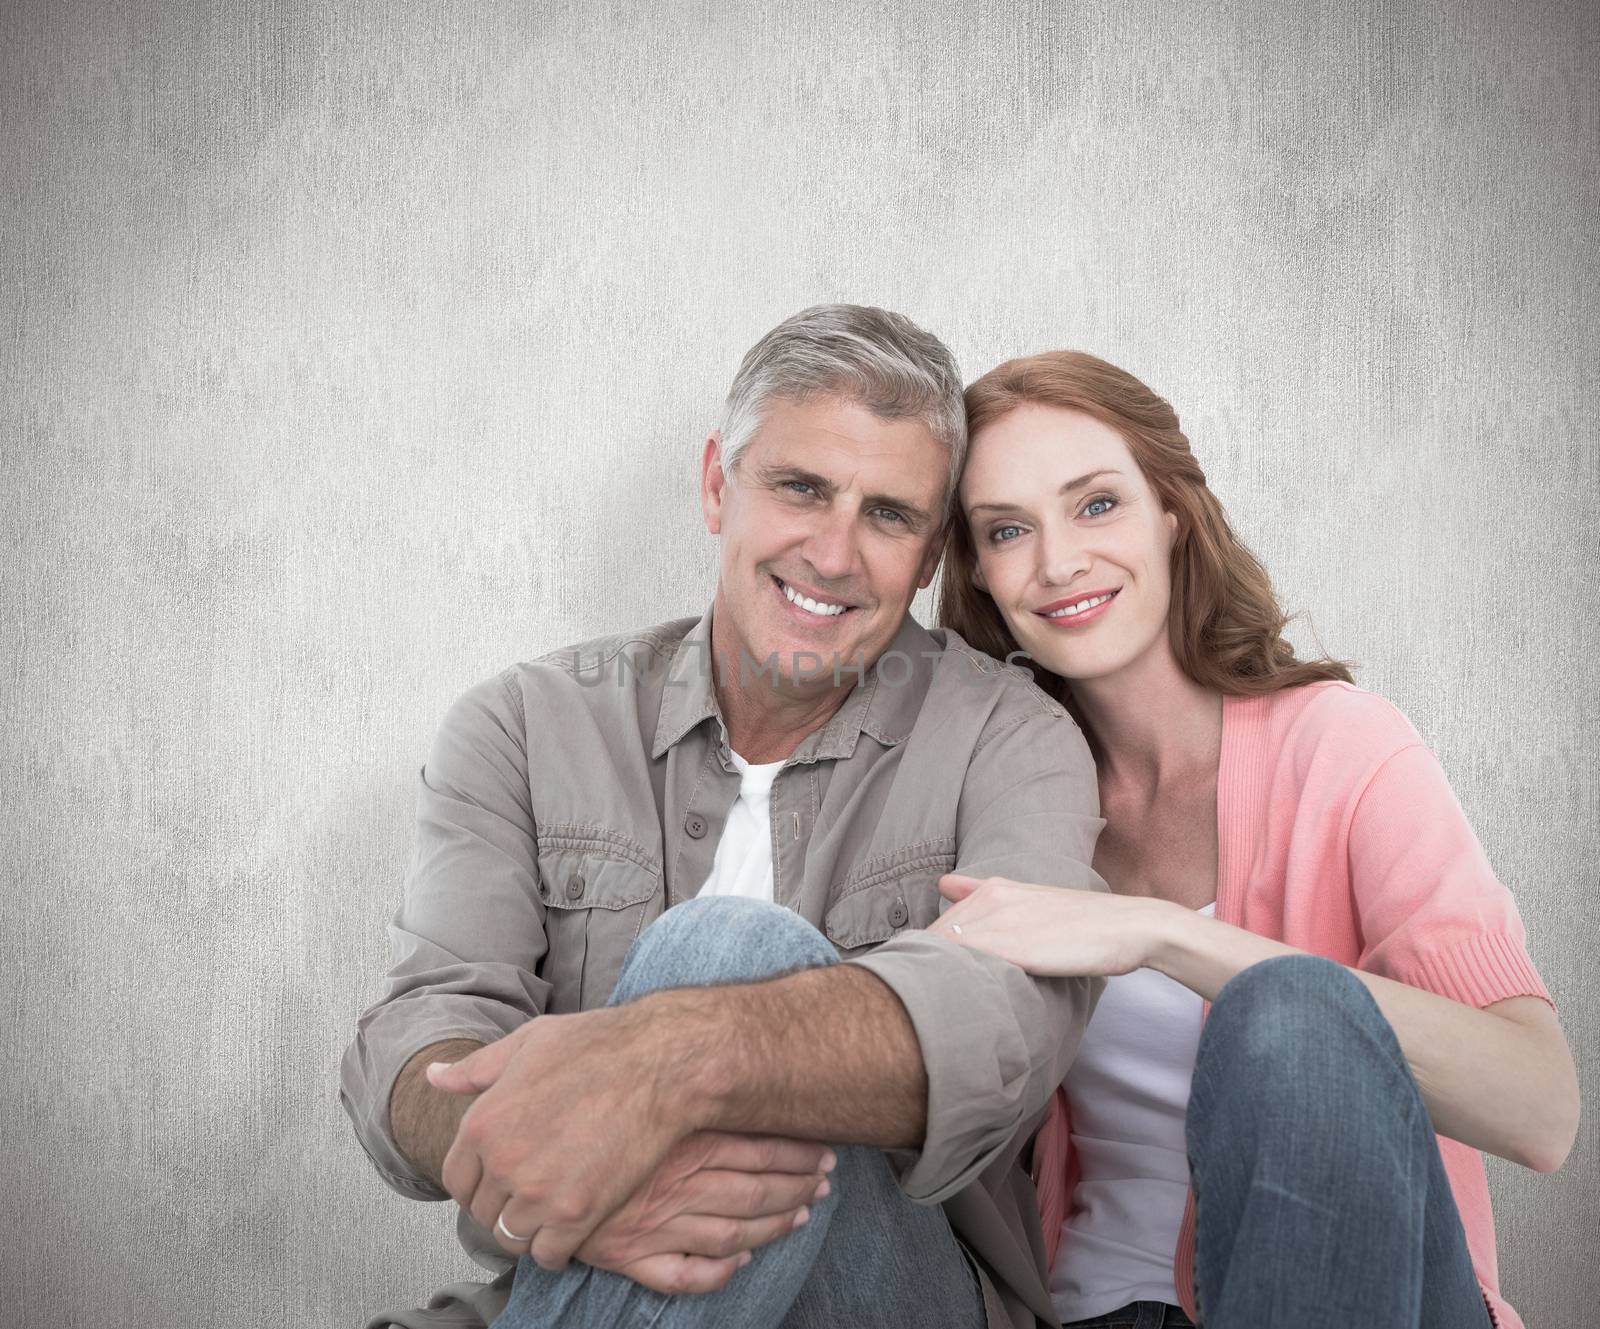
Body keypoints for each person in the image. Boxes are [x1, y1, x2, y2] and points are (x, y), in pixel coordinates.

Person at [339, 305, 1110, 1329]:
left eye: (888, 515)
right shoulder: (526, 723)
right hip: (573, 1264)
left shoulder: (1012, 739)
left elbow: (1006, 1031)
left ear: (930, 558)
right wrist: (597, 1194)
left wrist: (677, 1061)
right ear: (717, 484)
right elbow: (421, 1034)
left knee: (730, 947)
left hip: (902, 1294)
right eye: (800, 488)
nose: (834, 554)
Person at [930, 349, 1580, 1329]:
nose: (1058, 561)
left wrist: (1169, 936)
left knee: (1290, 1012)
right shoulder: (996, 801)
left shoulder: (1340, 744)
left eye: (1096, 504)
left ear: (1171, 514)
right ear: (979, 572)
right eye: (1007, 529)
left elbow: (1539, 1112)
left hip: (1366, 1296)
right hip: (1088, 1308)